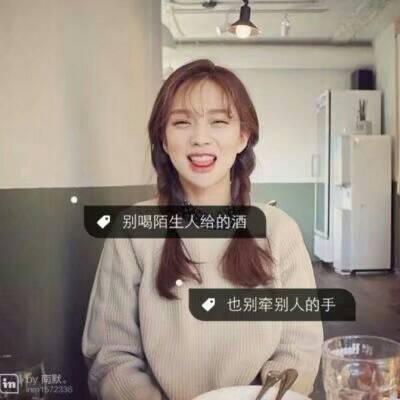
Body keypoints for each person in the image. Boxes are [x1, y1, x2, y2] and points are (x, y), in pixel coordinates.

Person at [81, 59, 324, 400]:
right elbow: (110, 355)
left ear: (243, 136)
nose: (200, 138)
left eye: (219, 122)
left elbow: (299, 348)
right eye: (181, 122)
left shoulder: (279, 231)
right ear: (163, 138)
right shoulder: (132, 233)